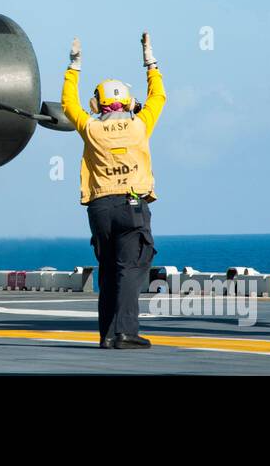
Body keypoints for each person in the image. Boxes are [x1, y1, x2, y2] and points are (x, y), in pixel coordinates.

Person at [62, 32, 166, 349]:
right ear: (128, 102)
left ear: (98, 103)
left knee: (107, 270)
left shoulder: (91, 128)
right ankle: (126, 332)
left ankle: (107, 335)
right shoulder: (140, 125)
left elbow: (68, 103)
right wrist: (150, 61)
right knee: (131, 269)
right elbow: (158, 96)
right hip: (131, 207)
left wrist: (74, 65)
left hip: (100, 208)